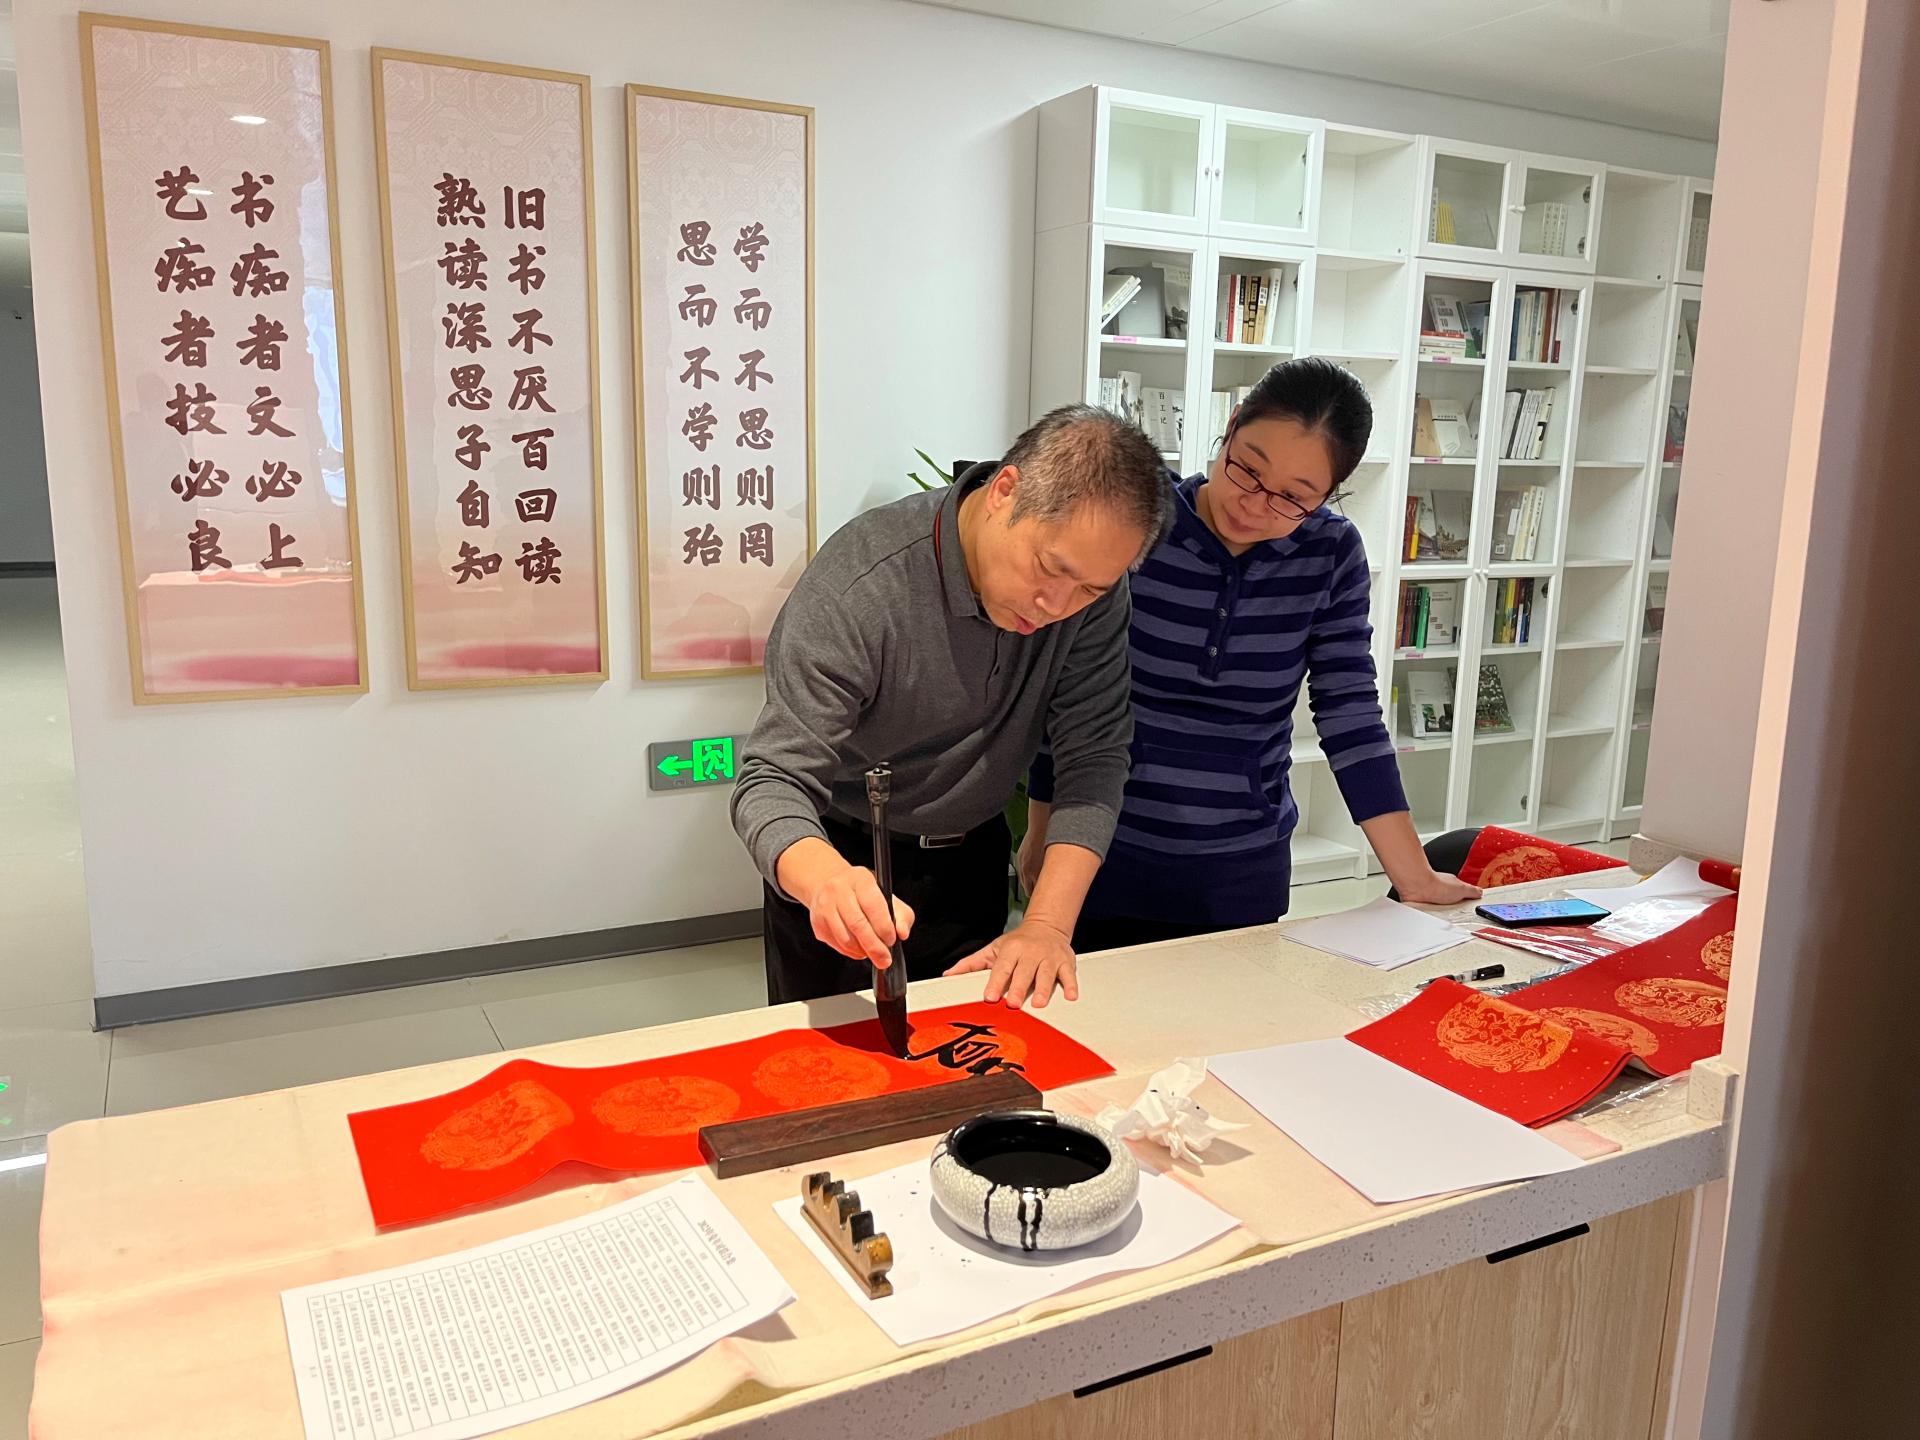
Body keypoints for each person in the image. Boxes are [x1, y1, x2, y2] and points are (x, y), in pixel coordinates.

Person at [1021, 359, 1480, 951]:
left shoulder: (1330, 555)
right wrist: (1042, 825)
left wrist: (1413, 877)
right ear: (1232, 424)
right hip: (1103, 854)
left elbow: (1350, 715)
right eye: (1247, 469)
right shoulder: (1140, 523)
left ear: (1329, 496)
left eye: (1293, 498)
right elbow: (1070, 692)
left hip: (1242, 867)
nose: (1254, 505)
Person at [731, 405, 1173, 1010]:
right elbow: (771, 778)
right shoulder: (862, 585)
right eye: (1049, 569)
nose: (1056, 606)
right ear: (1005, 491)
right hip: (842, 862)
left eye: (1089, 589)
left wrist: (1046, 925)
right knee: (838, 1060)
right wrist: (824, 879)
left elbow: (1093, 754)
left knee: (974, 1048)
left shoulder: (1091, 592)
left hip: (973, 860)